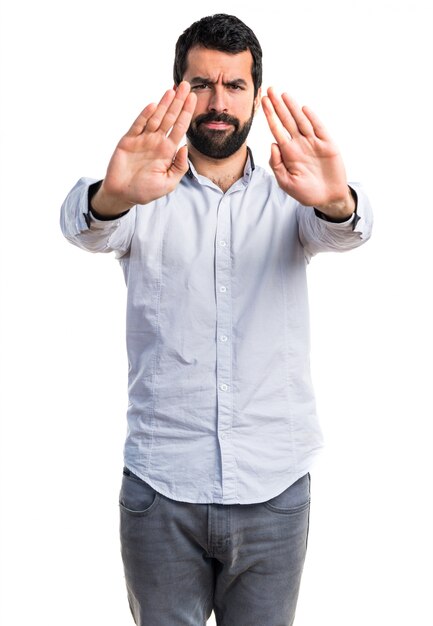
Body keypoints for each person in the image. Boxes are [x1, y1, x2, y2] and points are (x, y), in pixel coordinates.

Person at [60, 13, 373, 626]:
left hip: (274, 487)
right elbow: (83, 227)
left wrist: (337, 200)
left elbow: (346, 231)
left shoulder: (294, 190)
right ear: (178, 89)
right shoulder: (144, 190)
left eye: (234, 86)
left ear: (256, 94)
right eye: (201, 84)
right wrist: (113, 195)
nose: (217, 102)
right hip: (161, 486)